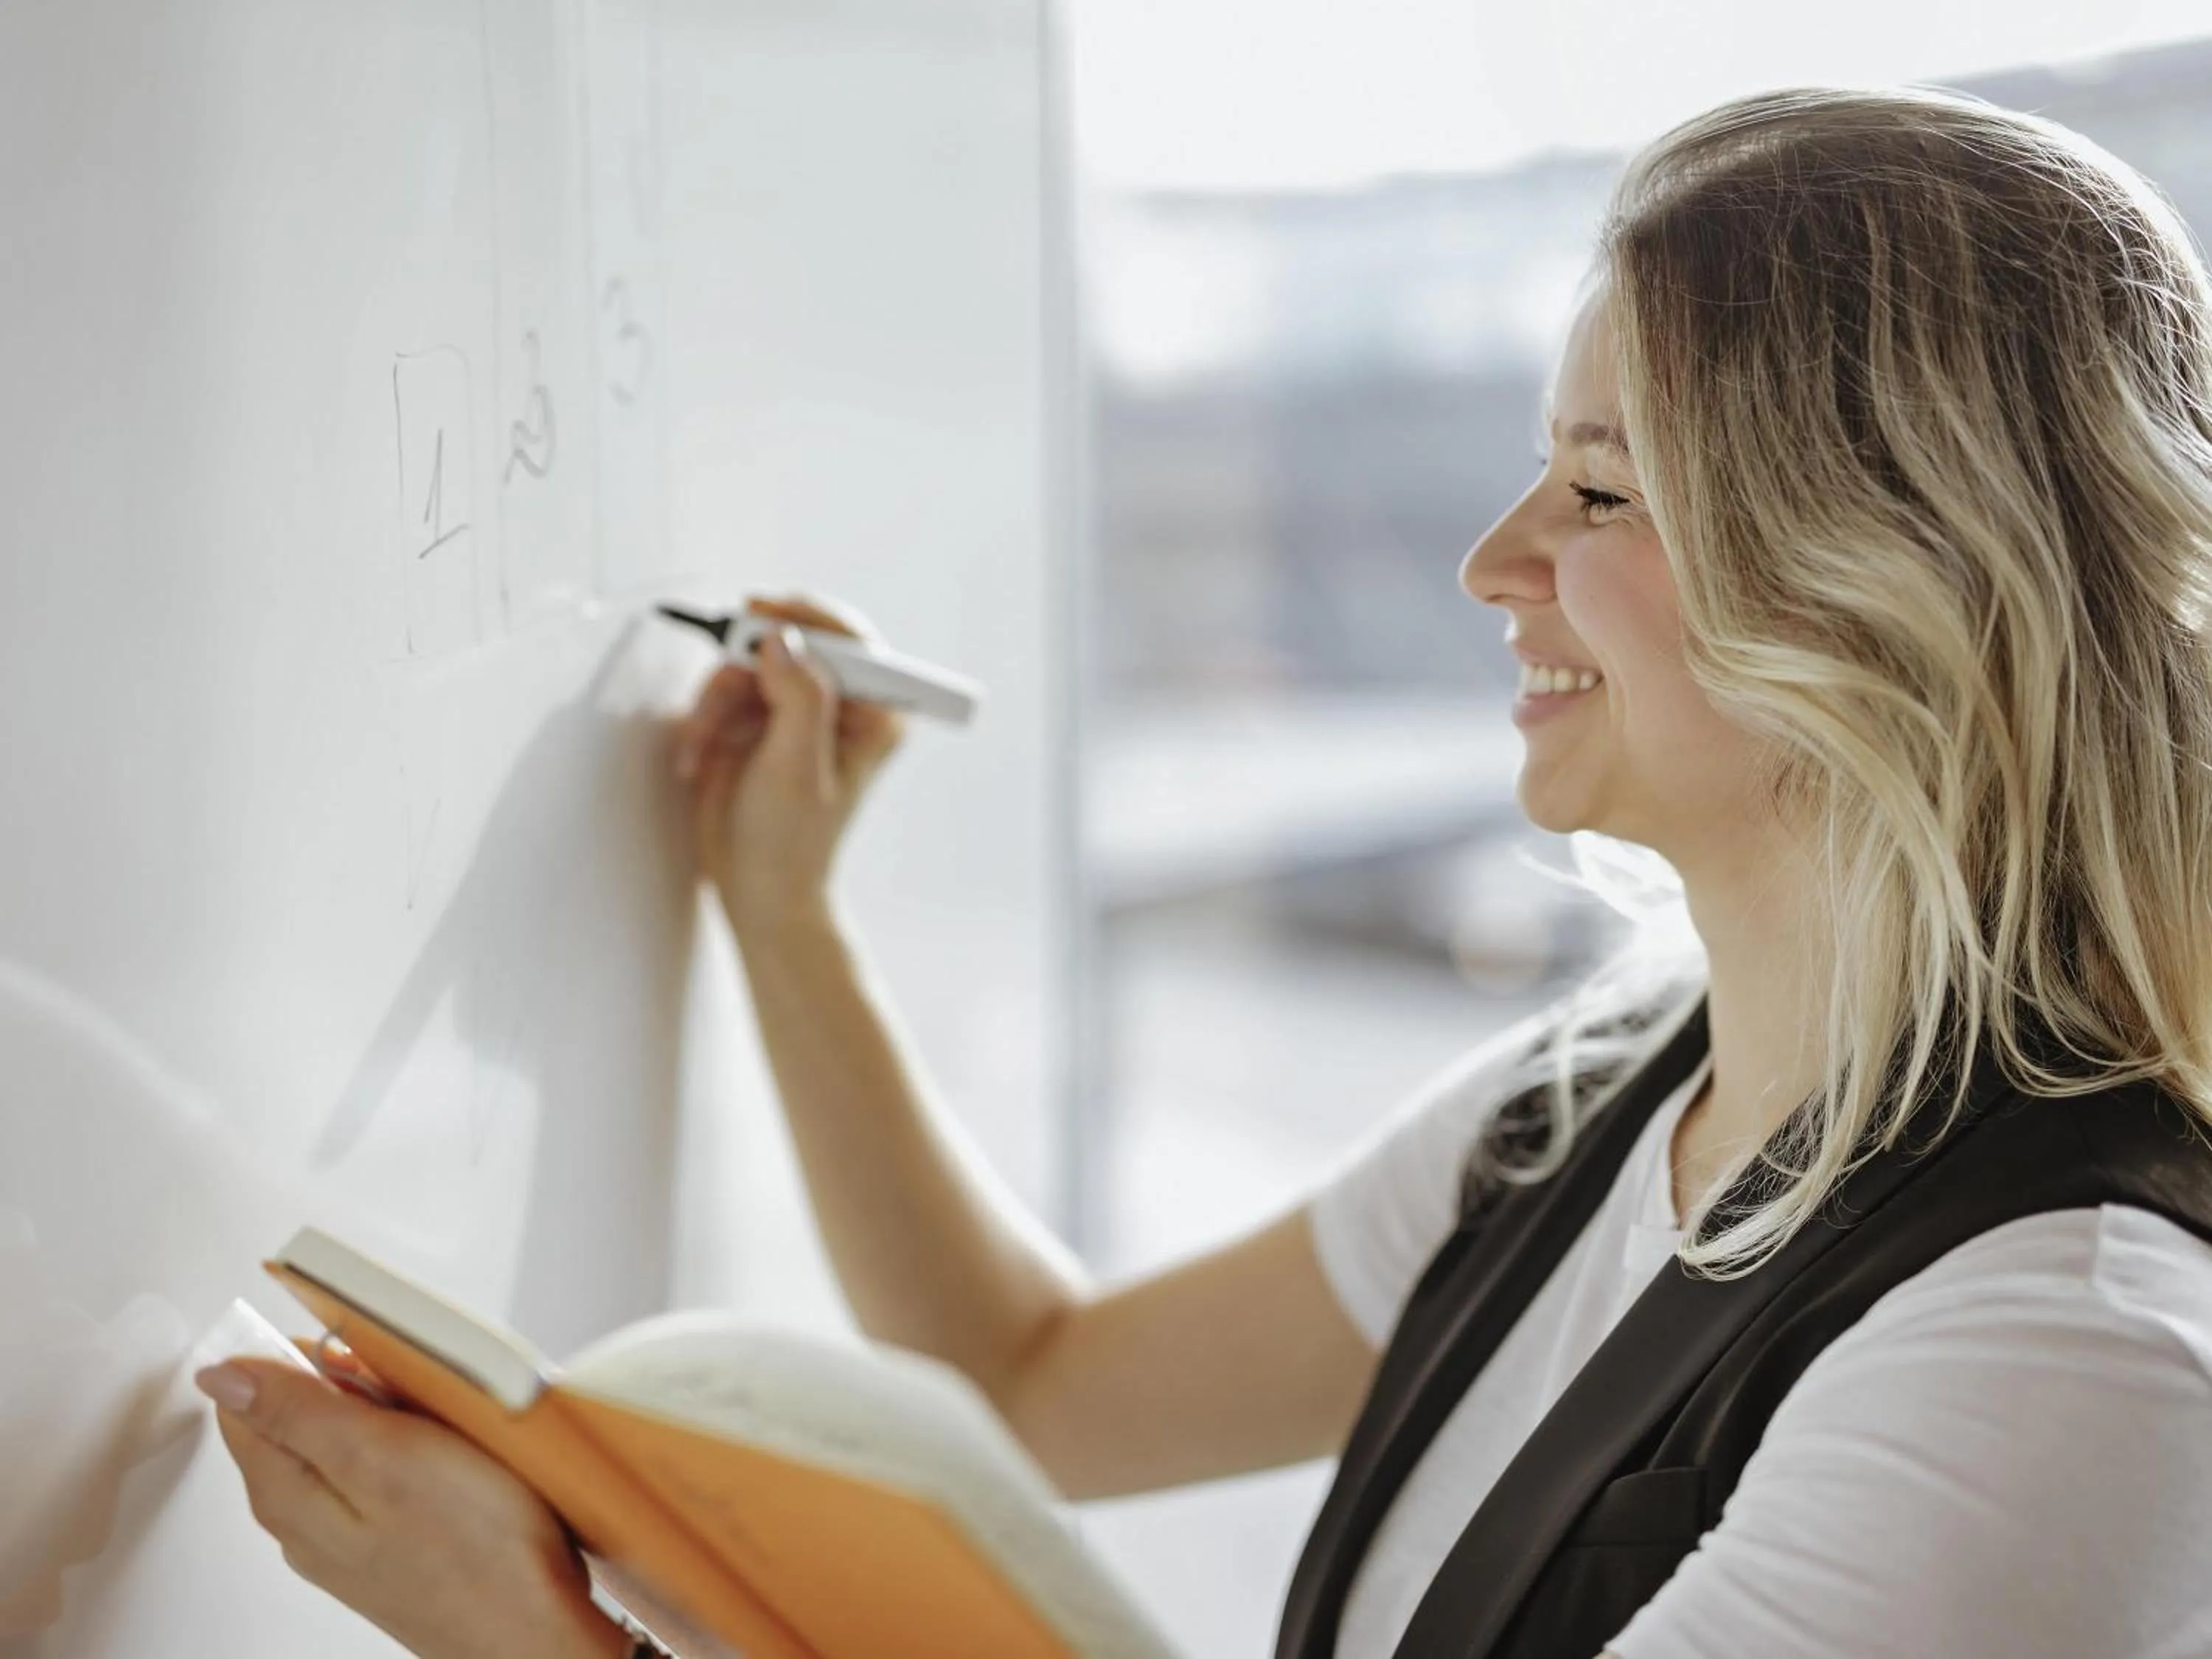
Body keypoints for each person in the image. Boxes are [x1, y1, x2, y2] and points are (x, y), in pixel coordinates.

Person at [197, 83, 2212, 1659]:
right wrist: (786, 908)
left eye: (1602, 486)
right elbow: (1035, 1385)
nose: (1494, 560)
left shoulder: (2066, 1353)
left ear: (1892, 594)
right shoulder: (1592, 1103)